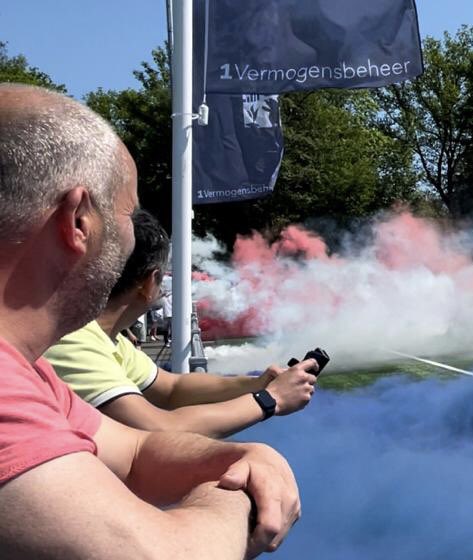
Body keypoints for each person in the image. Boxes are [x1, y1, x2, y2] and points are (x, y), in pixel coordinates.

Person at [0, 83, 313, 558]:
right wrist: (234, 486)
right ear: (79, 220)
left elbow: (134, 450)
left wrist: (249, 454)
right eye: (129, 210)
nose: (134, 231)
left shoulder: (28, 369)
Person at [46, 209, 318, 438]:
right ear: (150, 281)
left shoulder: (101, 336)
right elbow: (161, 430)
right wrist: (271, 400)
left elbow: (172, 389)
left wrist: (257, 384)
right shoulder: (74, 339)